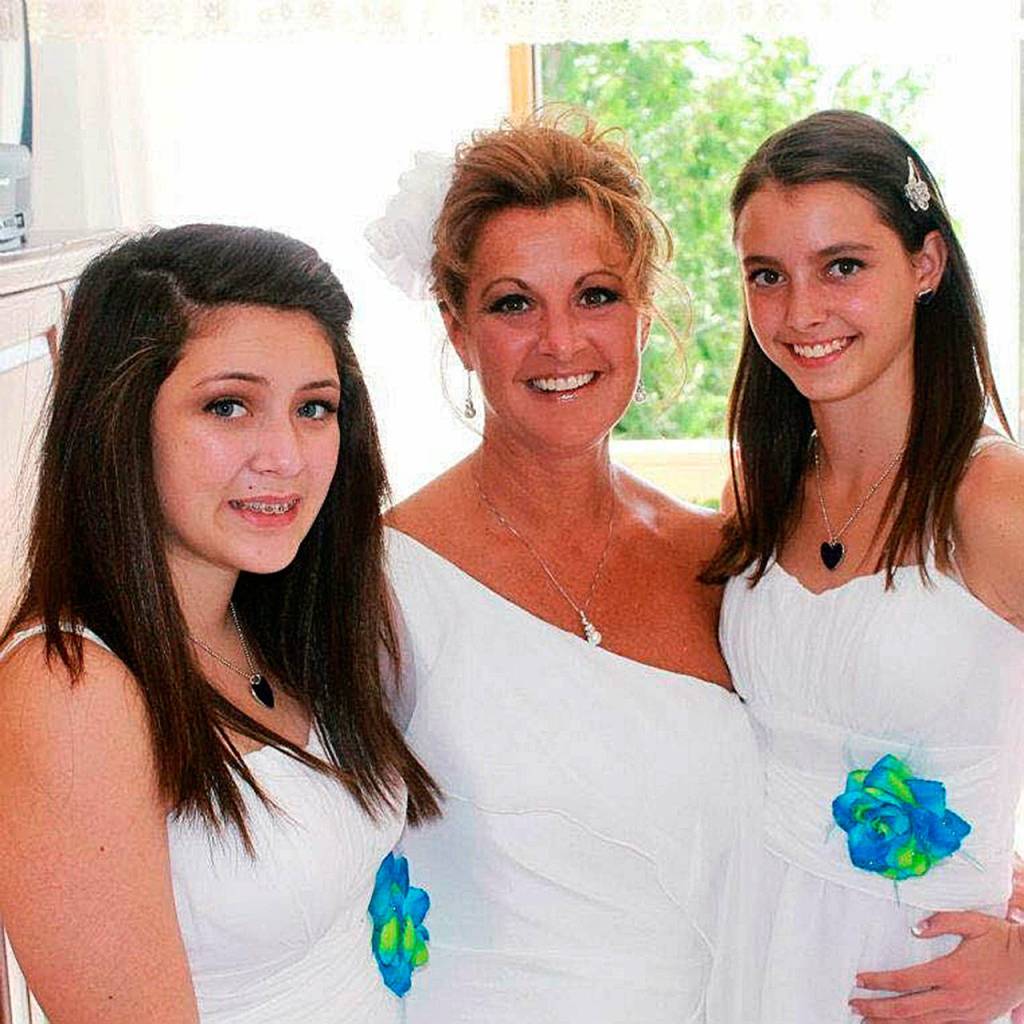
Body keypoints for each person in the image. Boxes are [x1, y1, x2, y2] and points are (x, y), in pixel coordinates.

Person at [370, 114, 764, 1022]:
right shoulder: (381, 578)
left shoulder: (717, 559)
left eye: (595, 295)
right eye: (514, 304)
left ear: (641, 313)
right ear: (457, 329)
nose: (559, 341)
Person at [0, 225, 440, 1024]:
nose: (285, 456)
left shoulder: (275, 616)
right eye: (228, 406)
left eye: (314, 408)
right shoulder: (70, 689)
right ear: (119, 422)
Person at [706, 110, 1024, 1022]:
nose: (801, 312)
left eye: (842, 266)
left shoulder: (991, 499)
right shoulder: (757, 495)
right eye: (768, 275)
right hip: (753, 959)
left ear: (926, 264)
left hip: (918, 983)